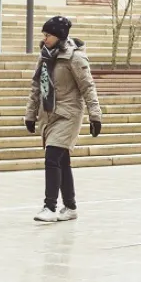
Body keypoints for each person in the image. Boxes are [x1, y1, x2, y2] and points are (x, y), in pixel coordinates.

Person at [25, 15, 102, 223]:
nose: (45, 38)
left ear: (59, 36)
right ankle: (70, 206)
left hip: (69, 114)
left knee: (52, 157)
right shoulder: (44, 56)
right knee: (62, 161)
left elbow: (88, 87)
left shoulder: (75, 58)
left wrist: (95, 115)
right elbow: (36, 87)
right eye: (44, 34)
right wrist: (30, 114)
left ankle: (50, 207)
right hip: (49, 114)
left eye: (48, 35)